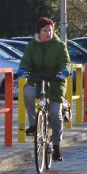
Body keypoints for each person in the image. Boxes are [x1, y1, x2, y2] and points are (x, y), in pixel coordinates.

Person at [19, 17, 71, 161]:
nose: (48, 32)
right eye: (44, 30)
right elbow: (26, 59)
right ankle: (34, 124)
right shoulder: (32, 46)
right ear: (39, 32)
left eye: (50, 29)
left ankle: (56, 146)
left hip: (55, 81)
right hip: (36, 79)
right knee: (28, 92)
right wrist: (22, 69)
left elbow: (65, 61)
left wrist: (65, 70)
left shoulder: (59, 46)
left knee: (55, 113)